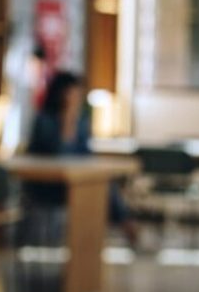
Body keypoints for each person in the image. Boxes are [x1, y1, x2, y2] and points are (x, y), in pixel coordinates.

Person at [25, 70, 138, 247]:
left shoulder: (82, 120)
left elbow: (85, 153)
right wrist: (67, 121)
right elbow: (59, 154)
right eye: (72, 93)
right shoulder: (45, 120)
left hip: (75, 182)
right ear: (60, 94)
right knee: (103, 187)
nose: (76, 98)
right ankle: (126, 224)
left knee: (103, 185)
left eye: (78, 93)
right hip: (47, 184)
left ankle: (90, 245)